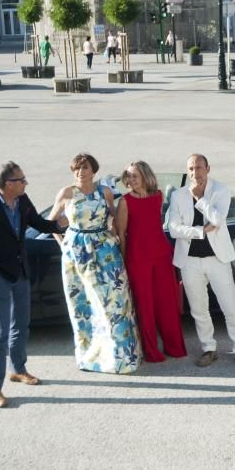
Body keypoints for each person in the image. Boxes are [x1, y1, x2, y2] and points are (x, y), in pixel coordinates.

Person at [0, 162, 67, 408]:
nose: (25, 183)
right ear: (9, 184)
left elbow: (39, 224)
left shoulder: (23, 201)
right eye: (21, 180)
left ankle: (18, 369)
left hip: (21, 273)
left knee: (22, 325)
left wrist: (60, 224)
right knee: (0, 333)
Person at [48, 154, 140, 374]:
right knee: (83, 305)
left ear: (94, 170)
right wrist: (64, 246)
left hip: (105, 250)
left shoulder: (105, 192)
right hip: (76, 254)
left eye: (85, 167)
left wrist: (118, 241)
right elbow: (50, 223)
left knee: (116, 303)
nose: (81, 172)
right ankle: (91, 358)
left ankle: (123, 357)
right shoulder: (66, 193)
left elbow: (113, 220)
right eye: (77, 168)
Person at [167, 154, 235, 369]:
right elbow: (173, 228)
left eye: (198, 168)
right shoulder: (177, 195)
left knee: (230, 306)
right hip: (189, 261)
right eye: (191, 168)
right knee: (198, 309)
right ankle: (209, 348)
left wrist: (200, 199)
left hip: (217, 259)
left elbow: (217, 219)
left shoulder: (221, 190)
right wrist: (199, 231)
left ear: (208, 168)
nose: (195, 173)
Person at [116, 160, 187, 363]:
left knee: (167, 303)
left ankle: (174, 347)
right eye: (128, 176)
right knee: (145, 306)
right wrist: (124, 262)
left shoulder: (158, 196)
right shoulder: (125, 201)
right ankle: (152, 351)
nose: (131, 180)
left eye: (135, 176)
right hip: (137, 259)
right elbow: (121, 234)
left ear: (146, 176)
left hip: (162, 255)